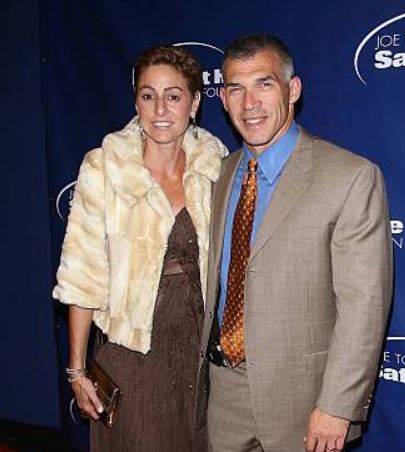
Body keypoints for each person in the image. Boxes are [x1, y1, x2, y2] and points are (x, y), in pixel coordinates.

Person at [195, 34, 393, 452]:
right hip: (223, 393)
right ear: (224, 99)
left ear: (293, 90)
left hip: (304, 402)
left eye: (264, 84)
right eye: (235, 88)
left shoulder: (350, 177)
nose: (250, 103)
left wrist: (337, 405)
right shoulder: (221, 173)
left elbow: (365, 304)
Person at [53, 45, 227, 451]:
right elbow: (82, 276)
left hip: (199, 356)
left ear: (195, 102)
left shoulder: (215, 165)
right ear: (136, 102)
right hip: (132, 355)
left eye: (173, 96)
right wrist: (77, 372)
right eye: (148, 95)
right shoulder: (104, 168)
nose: (160, 109)